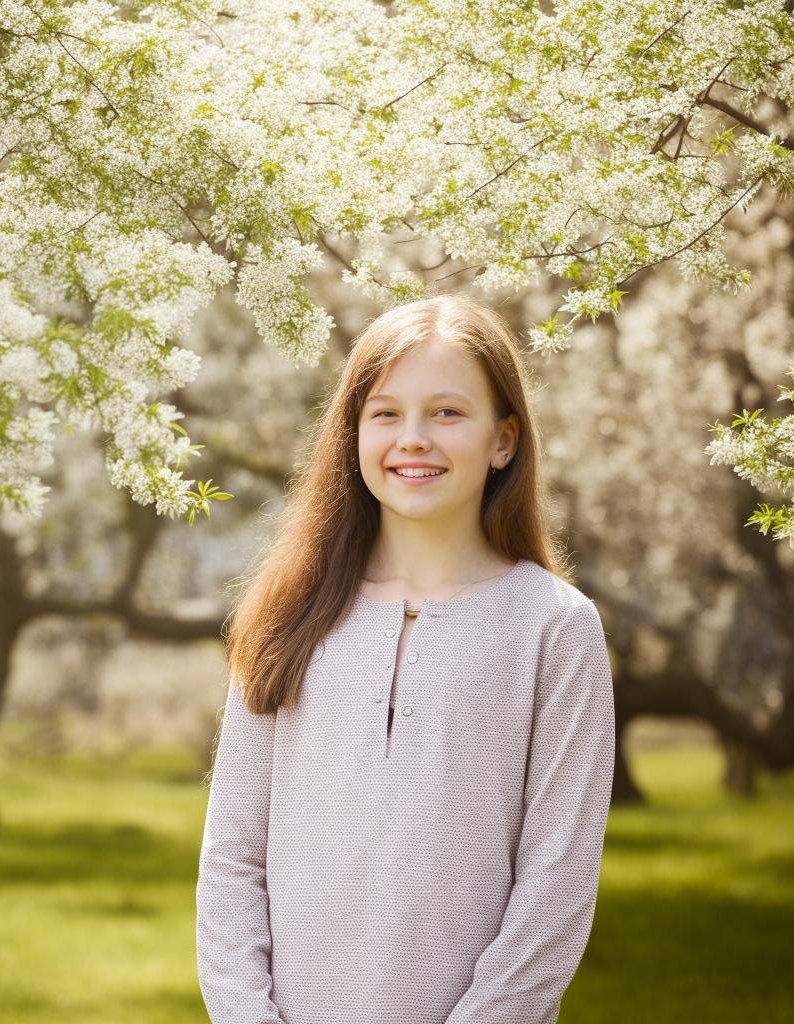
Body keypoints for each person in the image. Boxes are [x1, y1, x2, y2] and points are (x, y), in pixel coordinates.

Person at [195, 294, 616, 1024]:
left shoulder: (554, 628)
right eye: (385, 413)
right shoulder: (286, 613)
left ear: (504, 440)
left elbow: (557, 885)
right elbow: (232, 860)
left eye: (448, 413)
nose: (413, 438)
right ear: (353, 434)